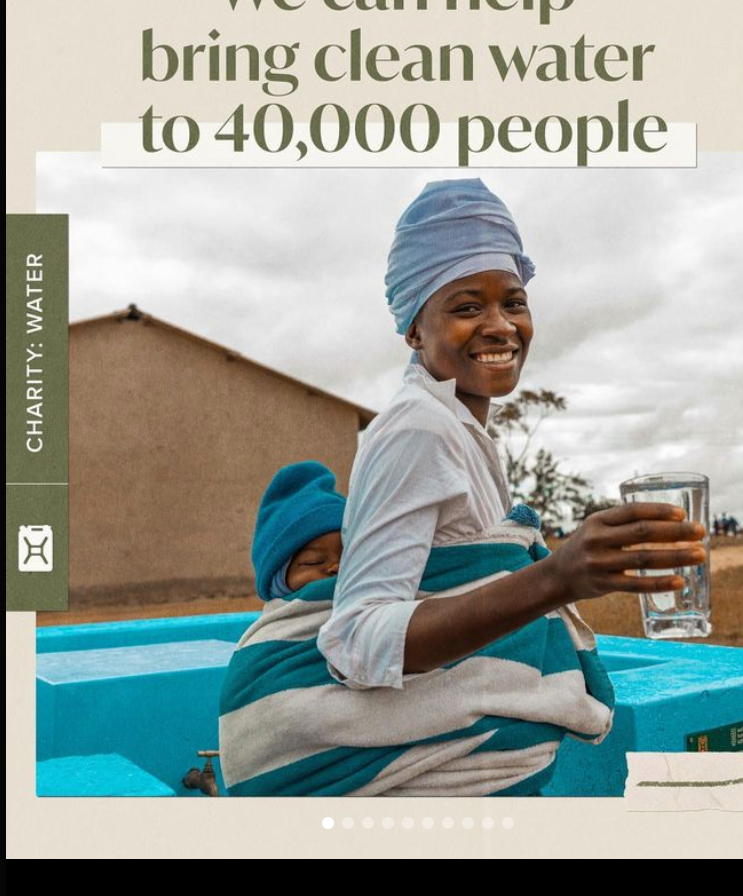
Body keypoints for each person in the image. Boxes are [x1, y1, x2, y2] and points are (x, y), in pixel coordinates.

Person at [219, 179, 704, 797]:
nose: (501, 326)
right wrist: (556, 577)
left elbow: (452, 580)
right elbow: (359, 644)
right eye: (468, 307)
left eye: (515, 303)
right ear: (414, 330)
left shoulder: (458, 426)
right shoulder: (418, 428)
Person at [250, 461, 344, 602]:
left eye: (349, 559)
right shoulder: (277, 624)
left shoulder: (373, 612)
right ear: (278, 583)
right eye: (314, 561)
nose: (337, 567)